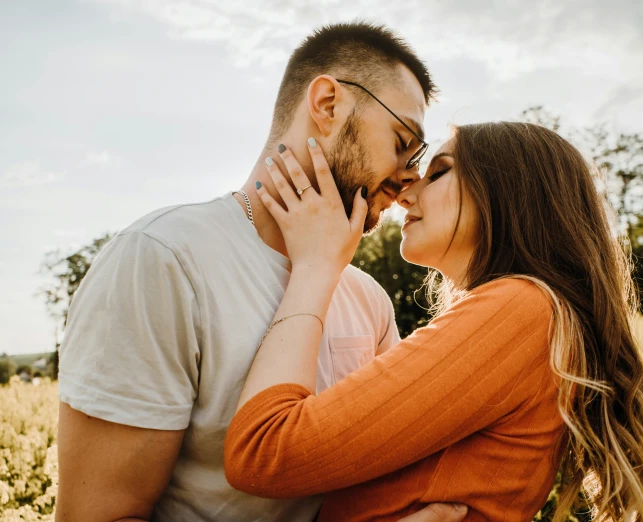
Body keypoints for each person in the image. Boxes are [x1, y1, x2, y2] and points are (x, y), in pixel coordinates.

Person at [55, 22, 469, 522]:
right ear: (327, 104)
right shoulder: (161, 260)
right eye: (403, 141)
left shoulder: (370, 300)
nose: (409, 178)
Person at [224, 123, 643, 521]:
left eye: (438, 172)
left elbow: (264, 452)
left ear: (509, 192)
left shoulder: (521, 310)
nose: (405, 194)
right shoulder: (531, 316)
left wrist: (314, 267)